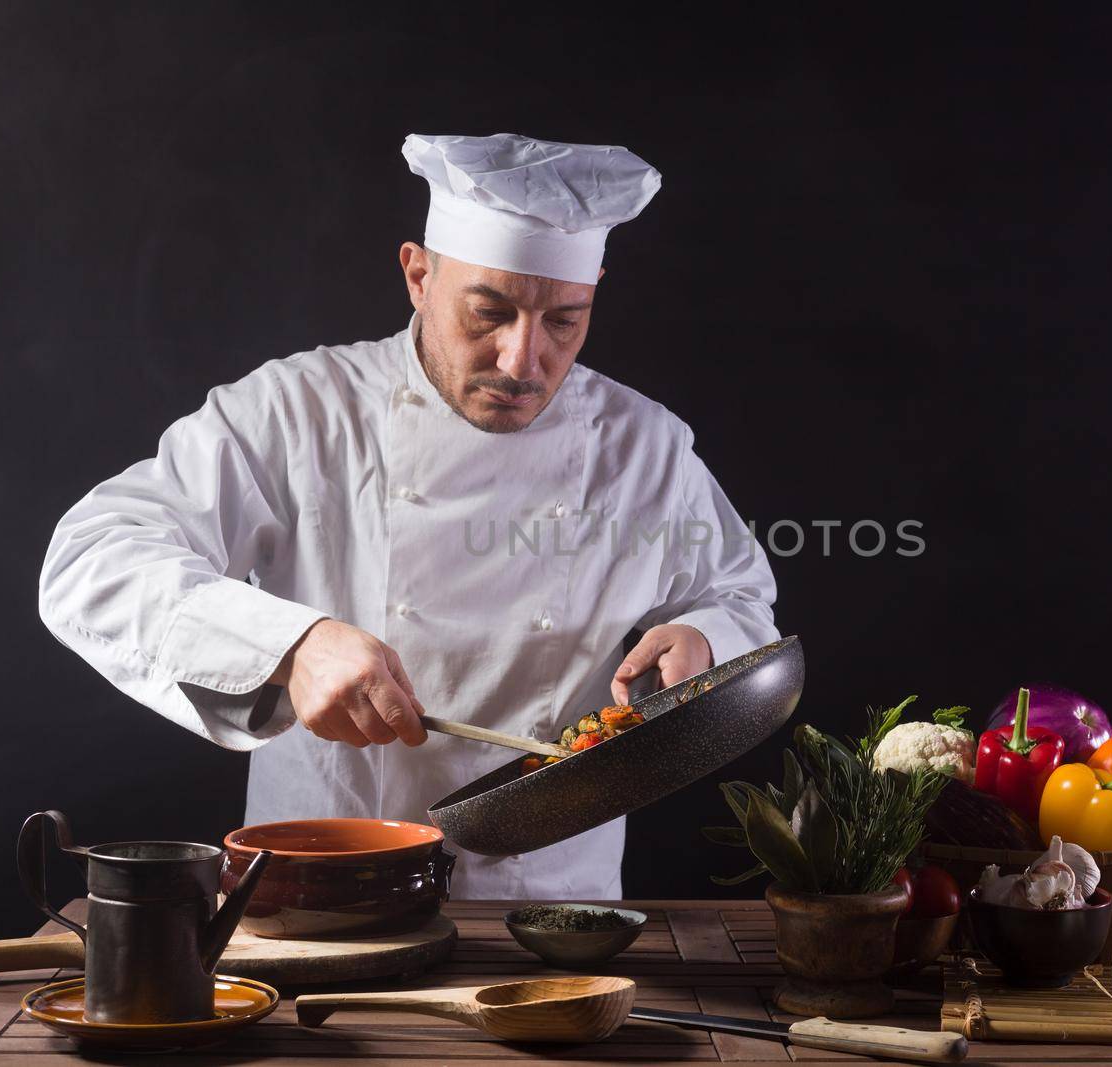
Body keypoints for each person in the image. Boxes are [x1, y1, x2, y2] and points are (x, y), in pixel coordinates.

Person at [38, 132, 780, 898]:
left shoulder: (645, 445)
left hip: (552, 907)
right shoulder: (298, 412)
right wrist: (291, 645)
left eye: (564, 320)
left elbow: (738, 597)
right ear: (419, 276)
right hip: (324, 887)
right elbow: (90, 557)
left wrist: (703, 641)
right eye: (488, 312)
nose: (524, 362)